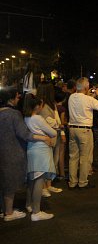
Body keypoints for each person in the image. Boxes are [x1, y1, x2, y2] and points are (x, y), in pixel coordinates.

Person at [0, 88, 52, 221]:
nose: (18, 100)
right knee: (10, 183)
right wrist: (43, 138)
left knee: (4, 181)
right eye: (17, 97)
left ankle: (5, 210)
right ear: (11, 98)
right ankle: (9, 213)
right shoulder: (14, 114)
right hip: (12, 152)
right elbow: (24, 134)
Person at [67, 77, 98, 189]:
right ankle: (83, 181)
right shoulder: (88, 99)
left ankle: (72, 181)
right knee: (85, 157)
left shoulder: (71, 97)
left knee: (73, 157)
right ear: (86, 87)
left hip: (73, 128)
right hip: (85, 129)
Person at [23, 93, 57, 221]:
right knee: (39, 180)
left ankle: (29, 205)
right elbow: (53, 132)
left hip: (31, 149)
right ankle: (36, 212)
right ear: (37, 106)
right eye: (41, 104)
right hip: (41, 150)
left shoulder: (26, 118)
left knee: (32, 179)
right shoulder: (37, 118)